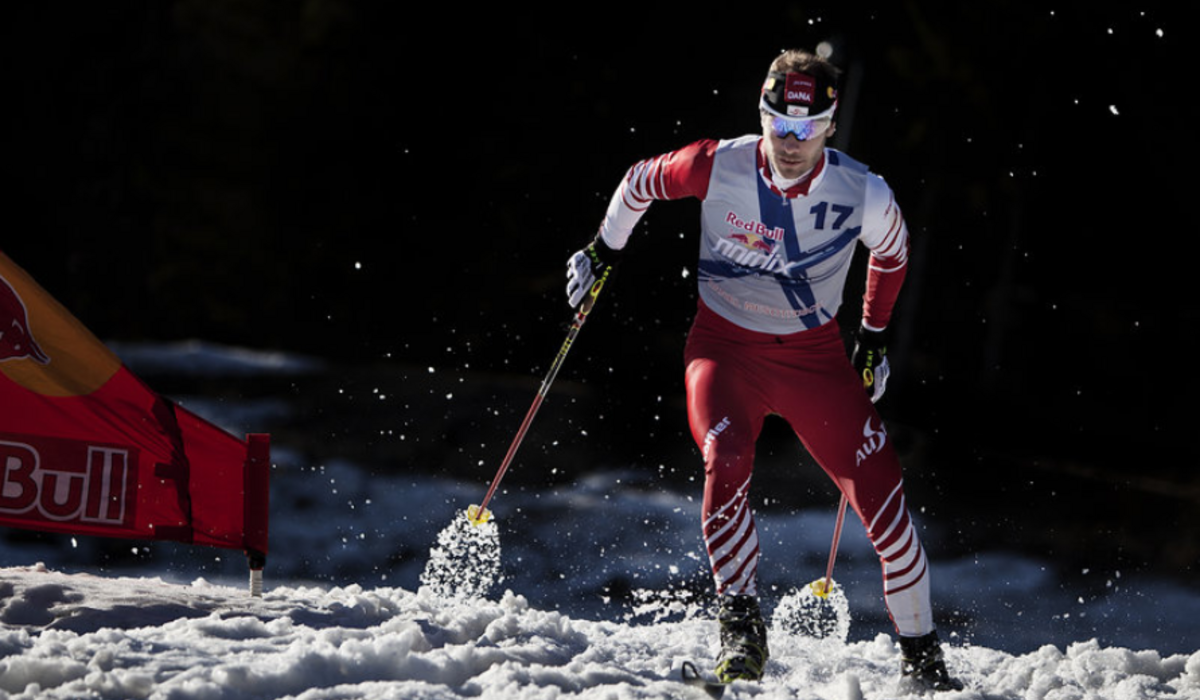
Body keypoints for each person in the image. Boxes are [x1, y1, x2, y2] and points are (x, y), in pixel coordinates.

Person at [565, 48, 961, 690]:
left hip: (813, 360)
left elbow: (893, 252)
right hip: (723, 348)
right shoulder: (715, 162)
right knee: (726, 457)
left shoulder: (863, 191)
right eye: (780, 123)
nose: (791, 141)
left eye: (807, 128)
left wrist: (874, 338)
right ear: (763, 114)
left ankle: (923, 663)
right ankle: (742, 631)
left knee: (887, 506)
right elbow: (639, 181)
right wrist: (602, 250)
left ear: (830, 125)